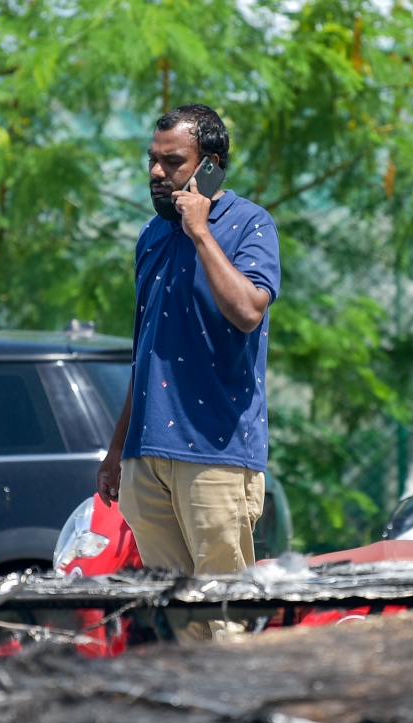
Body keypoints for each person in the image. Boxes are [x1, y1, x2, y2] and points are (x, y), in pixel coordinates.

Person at [96, 103, 280, 576]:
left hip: (213, 454)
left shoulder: (250, 224)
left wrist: (200, 231)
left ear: (210, 167)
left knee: (224, 612)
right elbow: (146, 354)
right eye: (152, 160)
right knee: (174, 613)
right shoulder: (151, 236)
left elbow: (247, 312)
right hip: (145, 456)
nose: (157, 172)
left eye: (172, 161)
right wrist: (117, 451)